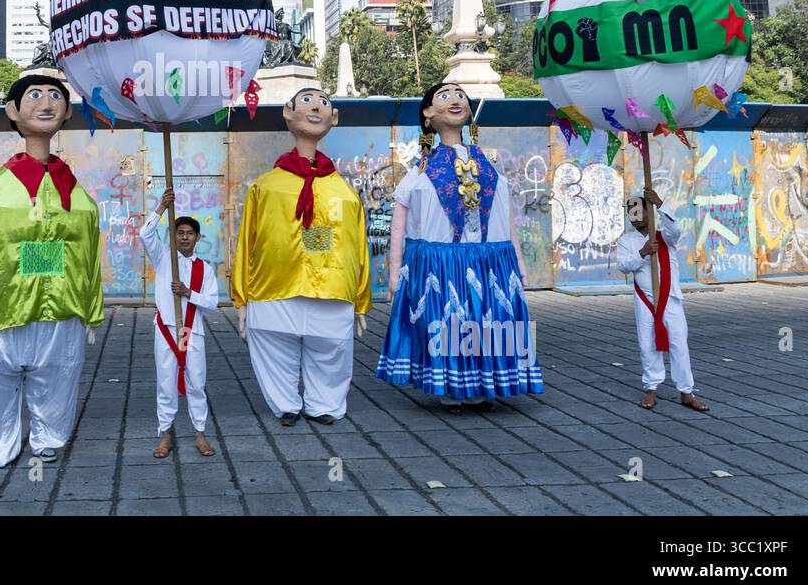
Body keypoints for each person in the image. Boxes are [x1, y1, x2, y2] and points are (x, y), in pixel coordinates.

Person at [0, 75, 104, 467]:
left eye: (56, 97)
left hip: (61, 304)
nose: (47, 104)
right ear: (12, 111)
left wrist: (91, 308)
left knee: (58, 374)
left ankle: (49, 435)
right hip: (0, 304)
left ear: (67, 113)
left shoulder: (76, 192)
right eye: (34, 96)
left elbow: (88, 254)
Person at [376, 82, 543, 412]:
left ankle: (484, 385)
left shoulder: (488, 162)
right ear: (428, 114)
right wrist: (395, 273)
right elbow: (399, 220)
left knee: (488, 322)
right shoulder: (420, 168)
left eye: (460, 95)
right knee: (450, 322)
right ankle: (452, 387)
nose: (455, 100)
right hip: (441, 263)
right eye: (445, 96)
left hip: (491, 260)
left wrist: (518, 259)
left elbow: (506, 212)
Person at [232, 87, 371, 426]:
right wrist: (241, 298)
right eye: (307, 100)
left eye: (324, 102)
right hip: (273, 284)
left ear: (333, 118)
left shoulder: (344, 191)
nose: (316, 107)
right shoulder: (265, 187)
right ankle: (285, 403)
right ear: (287, 111)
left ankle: (325, 403)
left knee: (332, 350)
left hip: (333, 287)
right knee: (273, 350)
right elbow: (246, 241)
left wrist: (360, 299)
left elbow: (356, 245)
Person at [138, 190, 218, 459]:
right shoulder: (163, 258)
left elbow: (212, 302)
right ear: (173, 236)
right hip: (167, 329)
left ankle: (200, 433)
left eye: (189, 233)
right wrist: (161, 206)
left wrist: (188, 293)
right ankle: (165, 434)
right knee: (166, 383)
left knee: (197, 381)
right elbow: (145, 234)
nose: (184, 237)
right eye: (180, 232)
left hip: (191, 330)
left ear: (197, 237)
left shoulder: (204, 269)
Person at [616, 187, 710, 412]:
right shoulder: (626, 240)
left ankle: (686, 392)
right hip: (645, 300)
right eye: (632, 212)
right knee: (647, 344)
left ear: (649, 213)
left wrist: (659, 203)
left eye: (640, 211)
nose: (636, 216)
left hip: (671, 298)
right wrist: (643, 253)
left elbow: (675, 229)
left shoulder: (664, 236)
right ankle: (651, 388)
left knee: (679, 343)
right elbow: (623, 265)